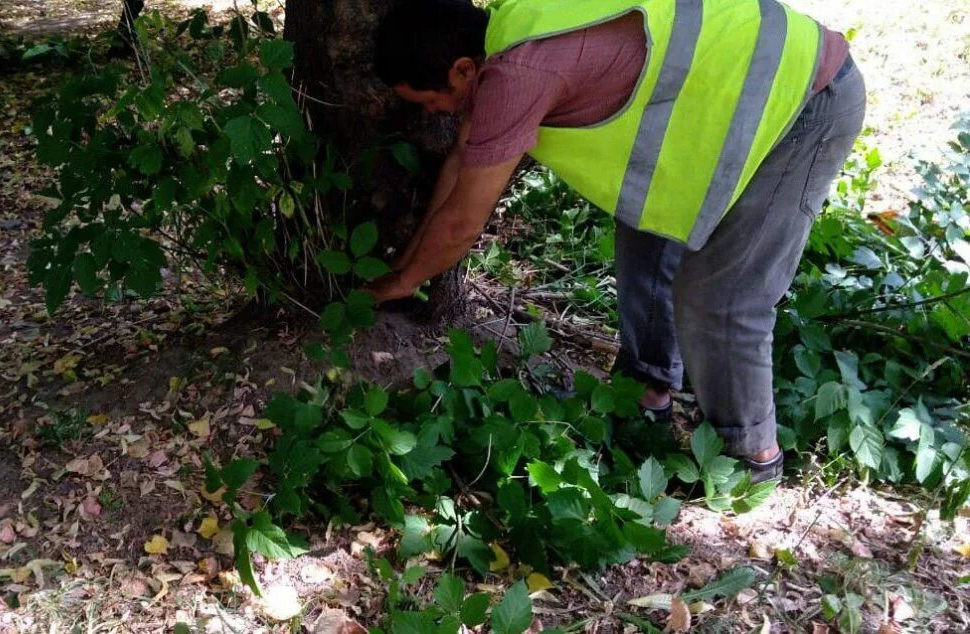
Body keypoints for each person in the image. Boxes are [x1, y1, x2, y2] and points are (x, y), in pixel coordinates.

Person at [366, 0, 866, 483]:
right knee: (648, 224)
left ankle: (751, 459)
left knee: (722, 296)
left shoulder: (518, 75)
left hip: (803, 98)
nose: (433, 115)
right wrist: (405, 269)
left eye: (430, 102)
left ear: (461, 71)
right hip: (728, 92)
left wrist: (402, 281)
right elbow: (461, 163)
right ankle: (644, 395)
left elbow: (461, 224)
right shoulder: (510, 33)